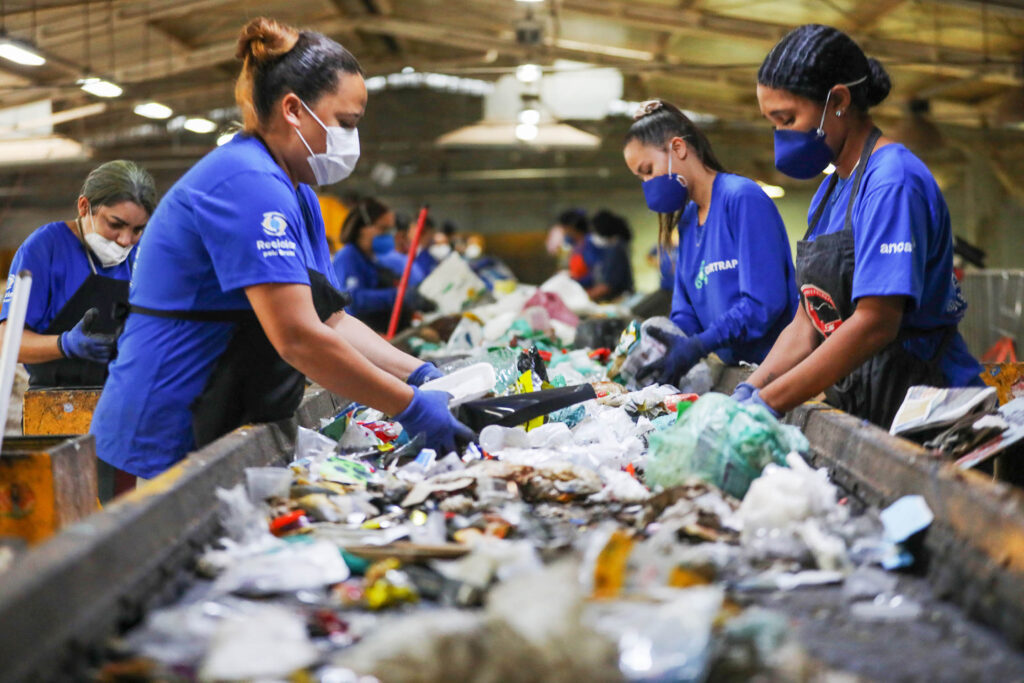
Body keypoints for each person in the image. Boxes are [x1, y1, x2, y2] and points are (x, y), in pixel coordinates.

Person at [91, 17, 468, 486]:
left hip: (218, 421)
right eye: (346, 123)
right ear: (293, 109)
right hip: (160, 438)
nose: (352, 139)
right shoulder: (247, 184)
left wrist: (421, 375)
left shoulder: (297, 189)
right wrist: (409, 408)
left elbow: (330, 319)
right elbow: (299, 337)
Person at [734, 24, 983, 428]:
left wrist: (769, 403)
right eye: (773, 123)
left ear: (838, 101)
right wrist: (750, 389)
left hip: (929, 406)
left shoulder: (892, 181)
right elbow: (807, 321)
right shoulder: (829, 192)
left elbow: (876, 323)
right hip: (870, 398)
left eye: (787, 119)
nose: (780, 136)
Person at [623, 99, 798, 385]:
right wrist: (668, 344)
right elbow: (686, 311)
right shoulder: (688, 221)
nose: (647, 183)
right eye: (640, 177)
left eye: (648, 169)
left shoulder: (741, 199)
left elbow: (764, 303)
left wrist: (702, 344)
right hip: (739, 373)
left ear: (678, 148)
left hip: (780, 371)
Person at [0, 160, 155, 388]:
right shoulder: (45, 249)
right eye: (115, 225)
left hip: (121, 393)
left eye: (137, 230)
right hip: (53, 398)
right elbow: (7, 343)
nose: (125, 240)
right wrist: (64, 345)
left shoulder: (141, 255)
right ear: (84, 207)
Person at [332, 197, 433, 331]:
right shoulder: (348, 256)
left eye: (390, 230)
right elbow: (352, 300)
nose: (388, 235)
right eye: (383, 229)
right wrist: (397, 296)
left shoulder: (371, 259)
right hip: (357, 335)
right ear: (363, 229)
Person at [587, 209, 635, 302]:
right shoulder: (615, 246)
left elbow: (608, 285)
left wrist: (585, 296)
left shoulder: (615, 249)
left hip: (620, 297)